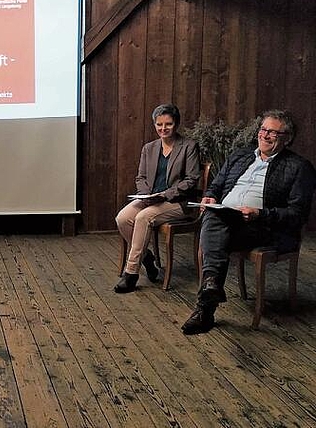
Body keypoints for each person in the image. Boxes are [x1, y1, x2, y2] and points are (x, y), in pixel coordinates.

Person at [182, 109, 316, 334]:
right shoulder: (240, 155)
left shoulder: (300, 167)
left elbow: (297, 214)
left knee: (214, 226)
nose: (265, 135)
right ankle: (210, 292)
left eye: (273, 132)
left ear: (287, 138)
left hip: (265, 228)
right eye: (263, 129)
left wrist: (259, 214)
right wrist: (211, 196)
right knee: (214, 214)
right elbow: (217, 184)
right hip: (229, 219)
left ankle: (206, 304)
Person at [114, 104, 201, 293]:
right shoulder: (149, 148)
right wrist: (147, 195)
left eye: (168, 124)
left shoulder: (189, 146)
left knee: (143, 218)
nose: (163, 129)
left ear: (176, 124)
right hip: (152, 199)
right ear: (154, 124)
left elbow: (192, 180)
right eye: (159, 124)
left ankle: (131, 273)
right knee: (122, 218)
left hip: (178, 202)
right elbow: (141, 177)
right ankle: (146, 257)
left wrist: (165, 195)